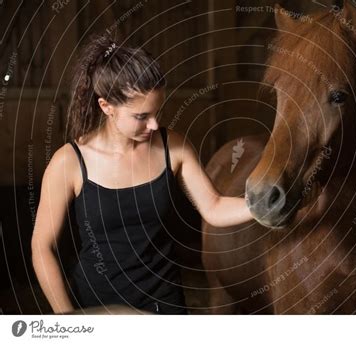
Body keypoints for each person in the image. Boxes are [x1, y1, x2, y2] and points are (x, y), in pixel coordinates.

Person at [31, 35, 253, 314]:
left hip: (166, 305)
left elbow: (214, 206)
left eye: (156, 112)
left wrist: (263, 206)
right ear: (106, 107)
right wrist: (69, 321)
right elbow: (42, 246)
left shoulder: (174, 146)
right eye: (141, 116)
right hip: (96, 308)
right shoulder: (69, 162)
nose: (154, 124)